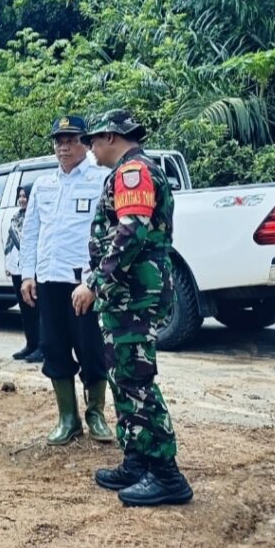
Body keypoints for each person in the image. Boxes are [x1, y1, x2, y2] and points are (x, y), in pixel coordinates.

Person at [74, 109, 193, 507]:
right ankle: (137, 460)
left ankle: (166, 474)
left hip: (135, 294)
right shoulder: (130, 170)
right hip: (127, 294)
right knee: (123, 376)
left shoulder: (134, 172)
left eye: (93, 140)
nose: (90, 148)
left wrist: (95, 282)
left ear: (111, 136)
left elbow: (131, 231)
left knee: (136, 380)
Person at [19, 116, 112, 446]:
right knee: (53, 348)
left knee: (91, 348)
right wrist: (27, 274)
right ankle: (68, 419)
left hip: (82, 282)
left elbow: (109, 233)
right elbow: (31, 232)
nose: (64, 147)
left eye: (71, 140)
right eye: (59, 141)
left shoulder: (102, 179)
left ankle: (96, 414)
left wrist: (95, 280)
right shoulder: (43, 185)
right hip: (48, 280)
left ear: (85, 144)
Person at [5, 184, 41, 362]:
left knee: (37, 310)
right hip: (16, 268)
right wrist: (8, 264)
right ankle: (31, 344)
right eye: (20, 196)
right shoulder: (16, 216)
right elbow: (10, 242)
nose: (22, 199)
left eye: (25, 196)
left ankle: (42, 347)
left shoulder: (36, 217)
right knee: (25, 310)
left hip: (32, 270)